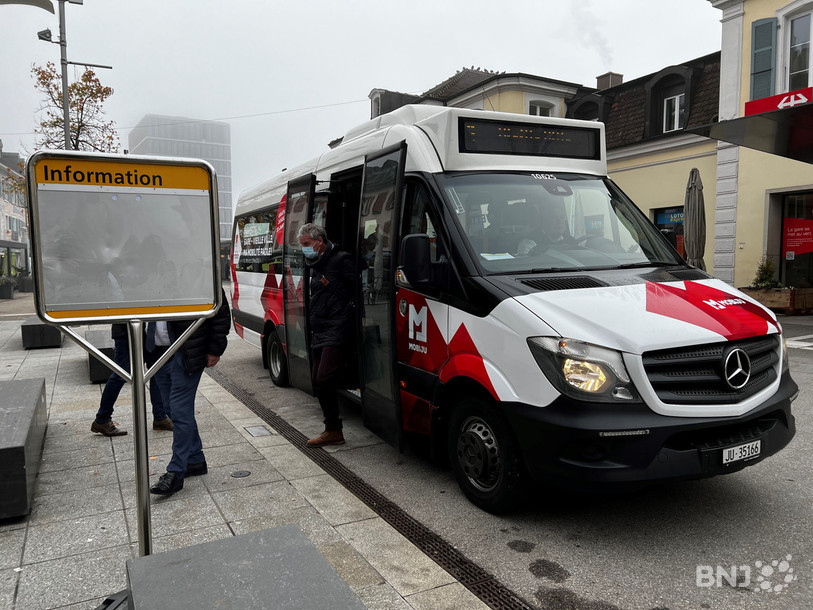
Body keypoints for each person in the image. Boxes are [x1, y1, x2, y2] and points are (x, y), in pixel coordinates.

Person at [148, 290, 231, 496]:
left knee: (179, 411)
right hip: (156, 352)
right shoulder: (144, 272)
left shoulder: (193, 266)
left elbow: (219, 309)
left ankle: (175, 472)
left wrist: (215, 348)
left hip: (184, 351)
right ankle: (195, 459)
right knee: (170, 408)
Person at [298, 223, 355, 447]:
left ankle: (334, 429)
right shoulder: (314, 263)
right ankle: (332, 430)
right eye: (301, 245)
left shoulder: (341, 260)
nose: (304, 249)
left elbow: (357, 288)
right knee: (317, 381)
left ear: (319, 241)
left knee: (323, 380)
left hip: (338, 327)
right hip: (320, 328)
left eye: (306, 244)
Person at [90, 324, 174, 436]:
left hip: (148, 331)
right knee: (121, 374)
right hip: (128, 330)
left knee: (156, 369)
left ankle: (160, 417)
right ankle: (102, 419)